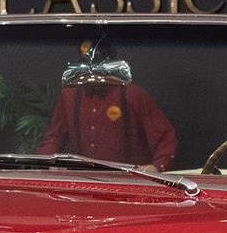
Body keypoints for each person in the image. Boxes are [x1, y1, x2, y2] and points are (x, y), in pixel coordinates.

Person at [37, 42, 178, 171]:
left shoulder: (133, 95)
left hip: (128, 182)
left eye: (98, 64)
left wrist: (157, 167)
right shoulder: (69, 96)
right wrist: (47, 163)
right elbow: (55, 136)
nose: (93, 70)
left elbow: (165, 136)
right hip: (81, 182)